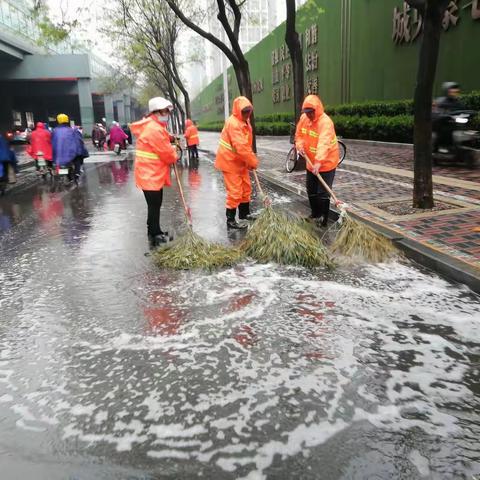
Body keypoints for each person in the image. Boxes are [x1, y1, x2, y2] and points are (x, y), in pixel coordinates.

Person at [130, 97, 178, 247]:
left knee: (154, 204)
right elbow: (167, 154)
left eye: (168, 111)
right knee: (154, 204)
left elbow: (162, 138)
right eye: (164, 111)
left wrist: (170, 138)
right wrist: (174, 152)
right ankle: (155, 234)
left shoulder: (153, 125)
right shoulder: (154, 129)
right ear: (155, 112)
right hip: (150, 174)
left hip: (149, 173)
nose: (167, 114)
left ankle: (154, 231)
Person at [295, 94, 340, 227]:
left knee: (322, 193)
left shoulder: (325, 122)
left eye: (310, 113)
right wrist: (300, 146)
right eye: (306, 113)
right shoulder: (304, 119)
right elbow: (299, 135)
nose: (308, 115)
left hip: (326, 163)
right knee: (311, 190)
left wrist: (319, 162)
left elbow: (324, 143)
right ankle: (315, 214)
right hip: (311, 162)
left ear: (316, 110)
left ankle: (323, 218)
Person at [214, 96, 259, 229]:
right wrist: (252, 161)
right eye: (244, 112)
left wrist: (249, 160)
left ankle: (244, 214)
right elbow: (241, 146)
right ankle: (230, 220)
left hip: (240, 161)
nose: (247, 114)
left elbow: (246, 144)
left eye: (248, 111)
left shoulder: (245, 121)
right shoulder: (233, 123)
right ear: (238, 111)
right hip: (229, 161)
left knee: (246, 188)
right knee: (235, 191)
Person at [433, 82, 465, 152]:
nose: (454, 92)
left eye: (456, 91)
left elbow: (463, 110)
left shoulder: (458, 103)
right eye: (452, 91)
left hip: (456, 123)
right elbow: (436, 112)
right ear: (447, 91)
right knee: (446, 130)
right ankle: (442, 147)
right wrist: (446, 116)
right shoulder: (441, 101)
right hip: (443, 124)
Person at [52, 113, 78, 179]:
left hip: (57, 154)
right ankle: (76, 174)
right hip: (69, 154)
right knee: (77, 161)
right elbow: (76, 142)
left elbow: (51, 142)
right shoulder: (71, 130)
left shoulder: (54, 131)